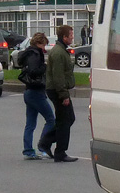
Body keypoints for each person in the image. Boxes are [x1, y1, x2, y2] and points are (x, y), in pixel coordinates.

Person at [44, 24, 79, 162]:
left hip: (58, 89)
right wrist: (63, 95)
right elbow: (58, 76)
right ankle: (60, 151)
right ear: (64, 37)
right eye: (70, 35)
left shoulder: (61, 50)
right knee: (65, 120)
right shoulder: (58, 52)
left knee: (67, 119)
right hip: (57, 90)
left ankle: (46, 142)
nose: (72, 37)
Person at [19, 32, 56, 161]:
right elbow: (34, 71)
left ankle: (28, 150)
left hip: (29, 91)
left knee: (30, 123)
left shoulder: (28, 53)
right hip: (36, 92)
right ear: (38, 44)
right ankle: (43, 147)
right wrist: (44, 67)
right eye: (43, 45)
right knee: (51, 119)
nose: (44, 49)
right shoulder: (35, 54)